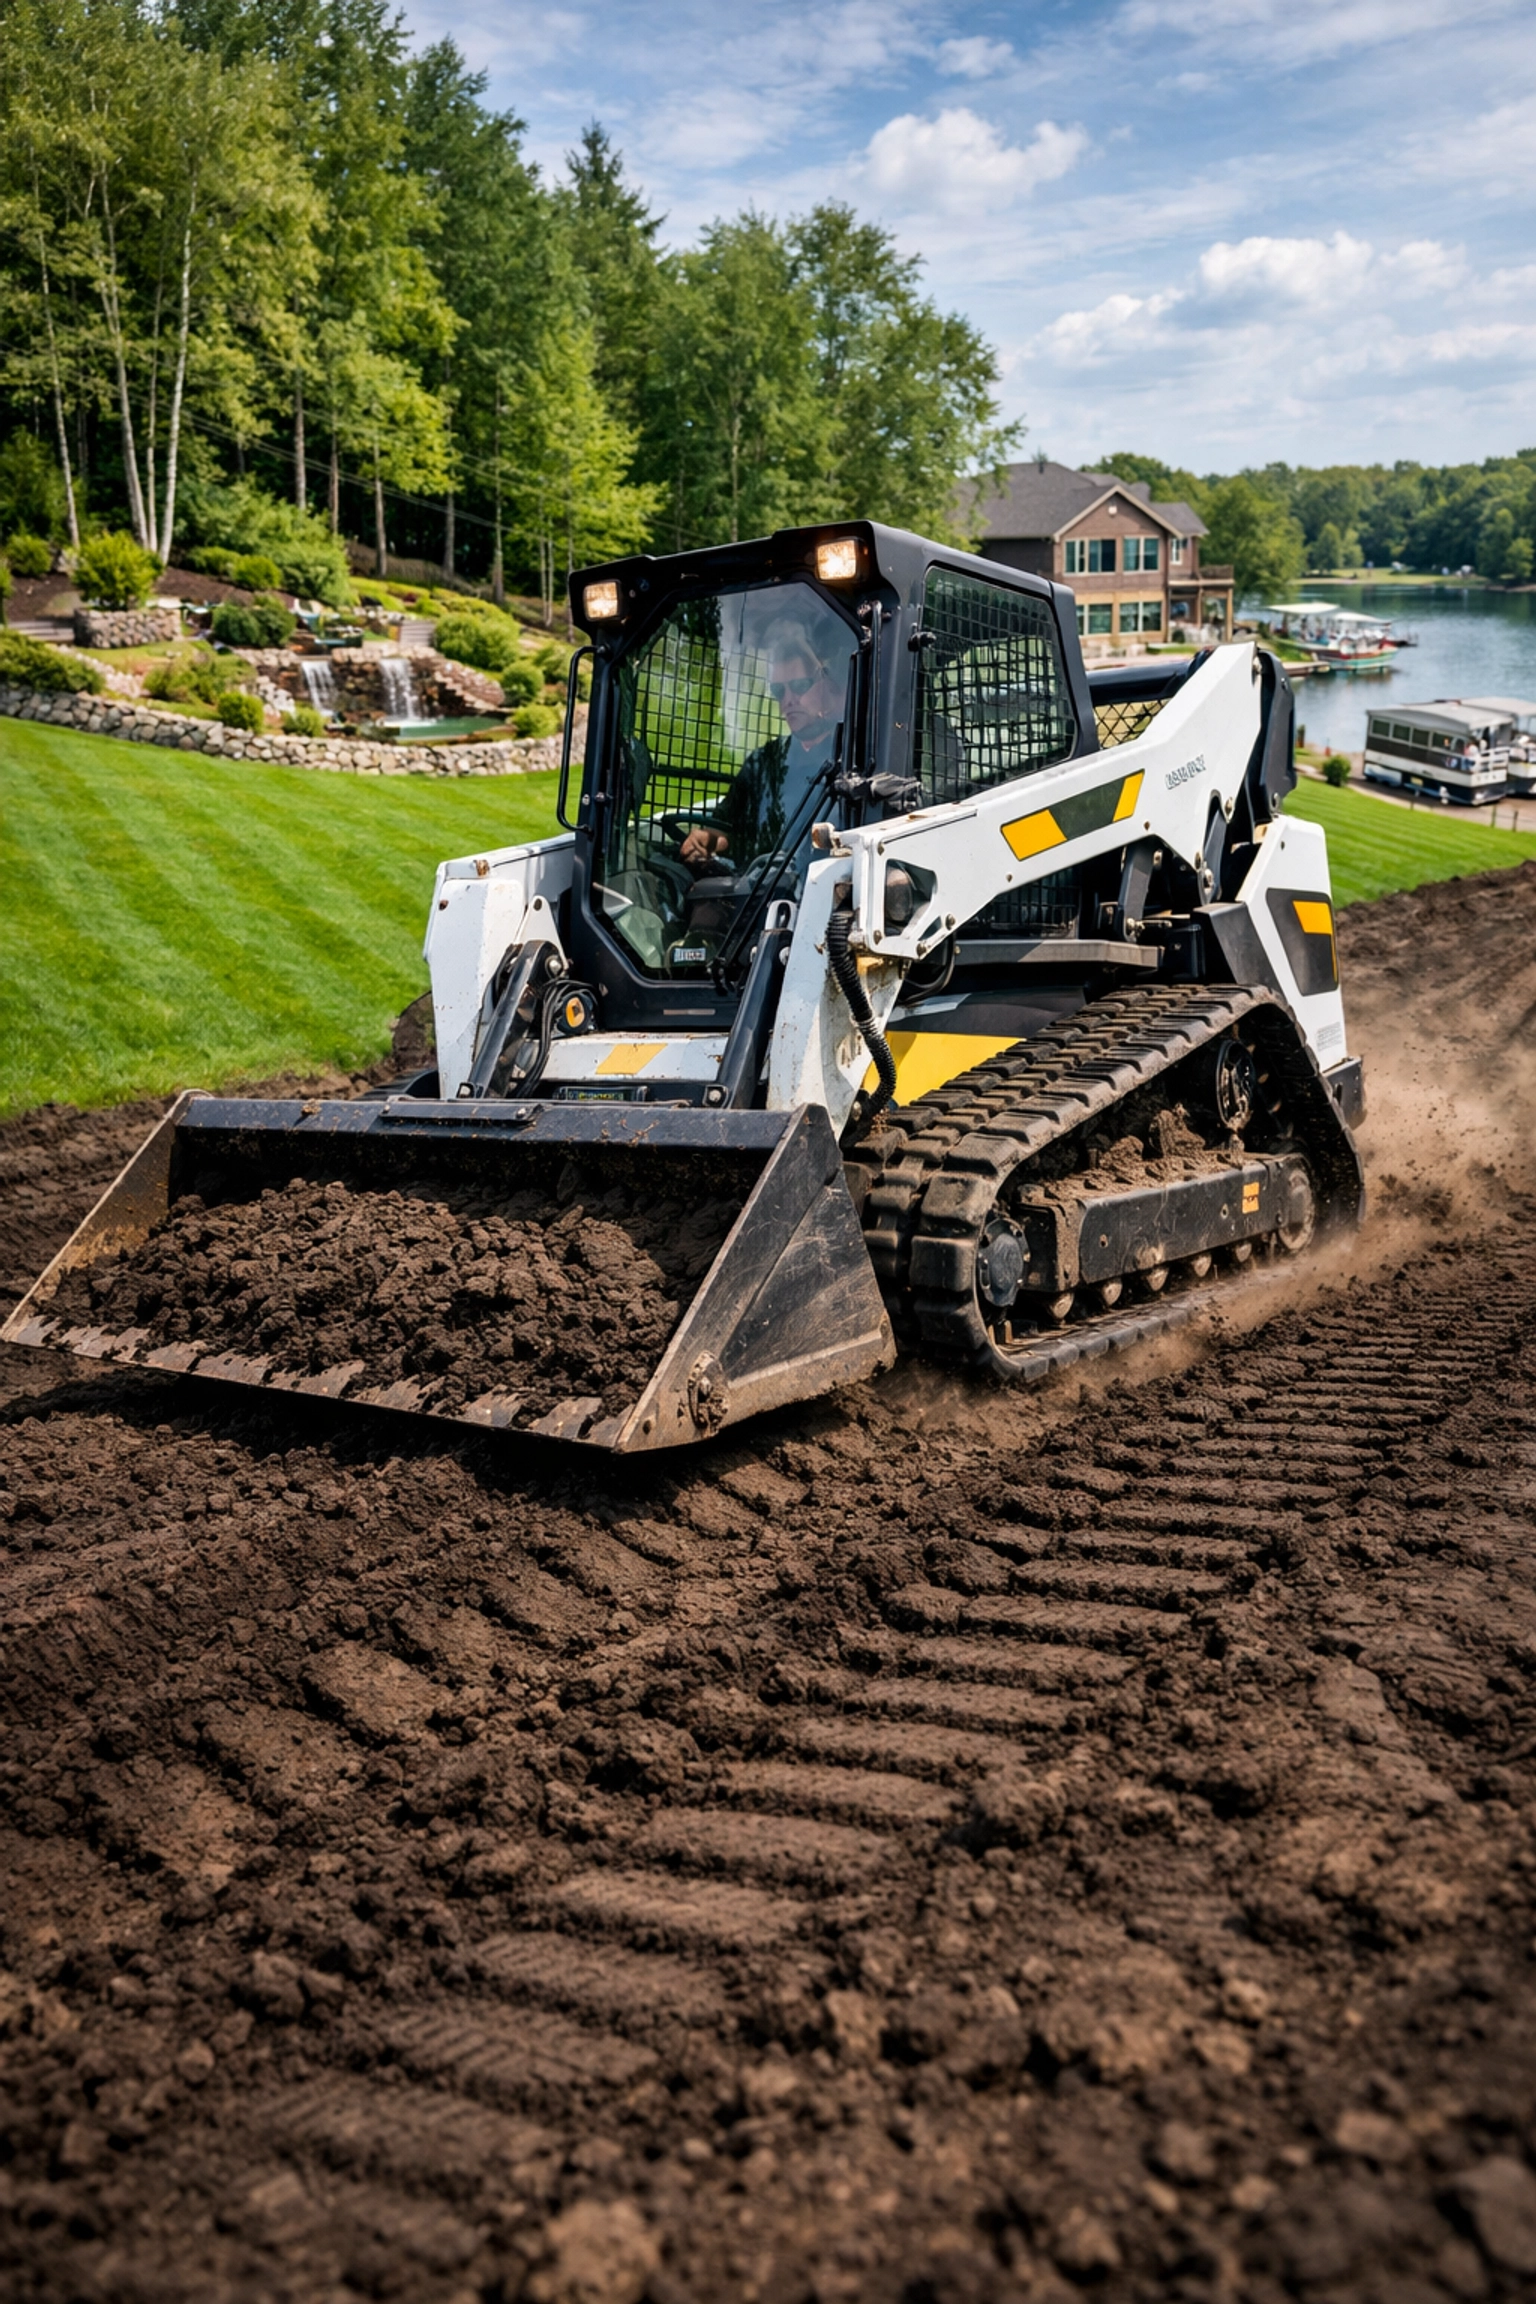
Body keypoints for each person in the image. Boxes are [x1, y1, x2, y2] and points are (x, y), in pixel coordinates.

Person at [679, 608, 848, 873]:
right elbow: (727, 828)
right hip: (755, 890)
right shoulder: (763, 761)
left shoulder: (849, 757)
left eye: (800, 686)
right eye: (779, 690)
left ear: (825, 683)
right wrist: (708, 839)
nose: (789, 700)